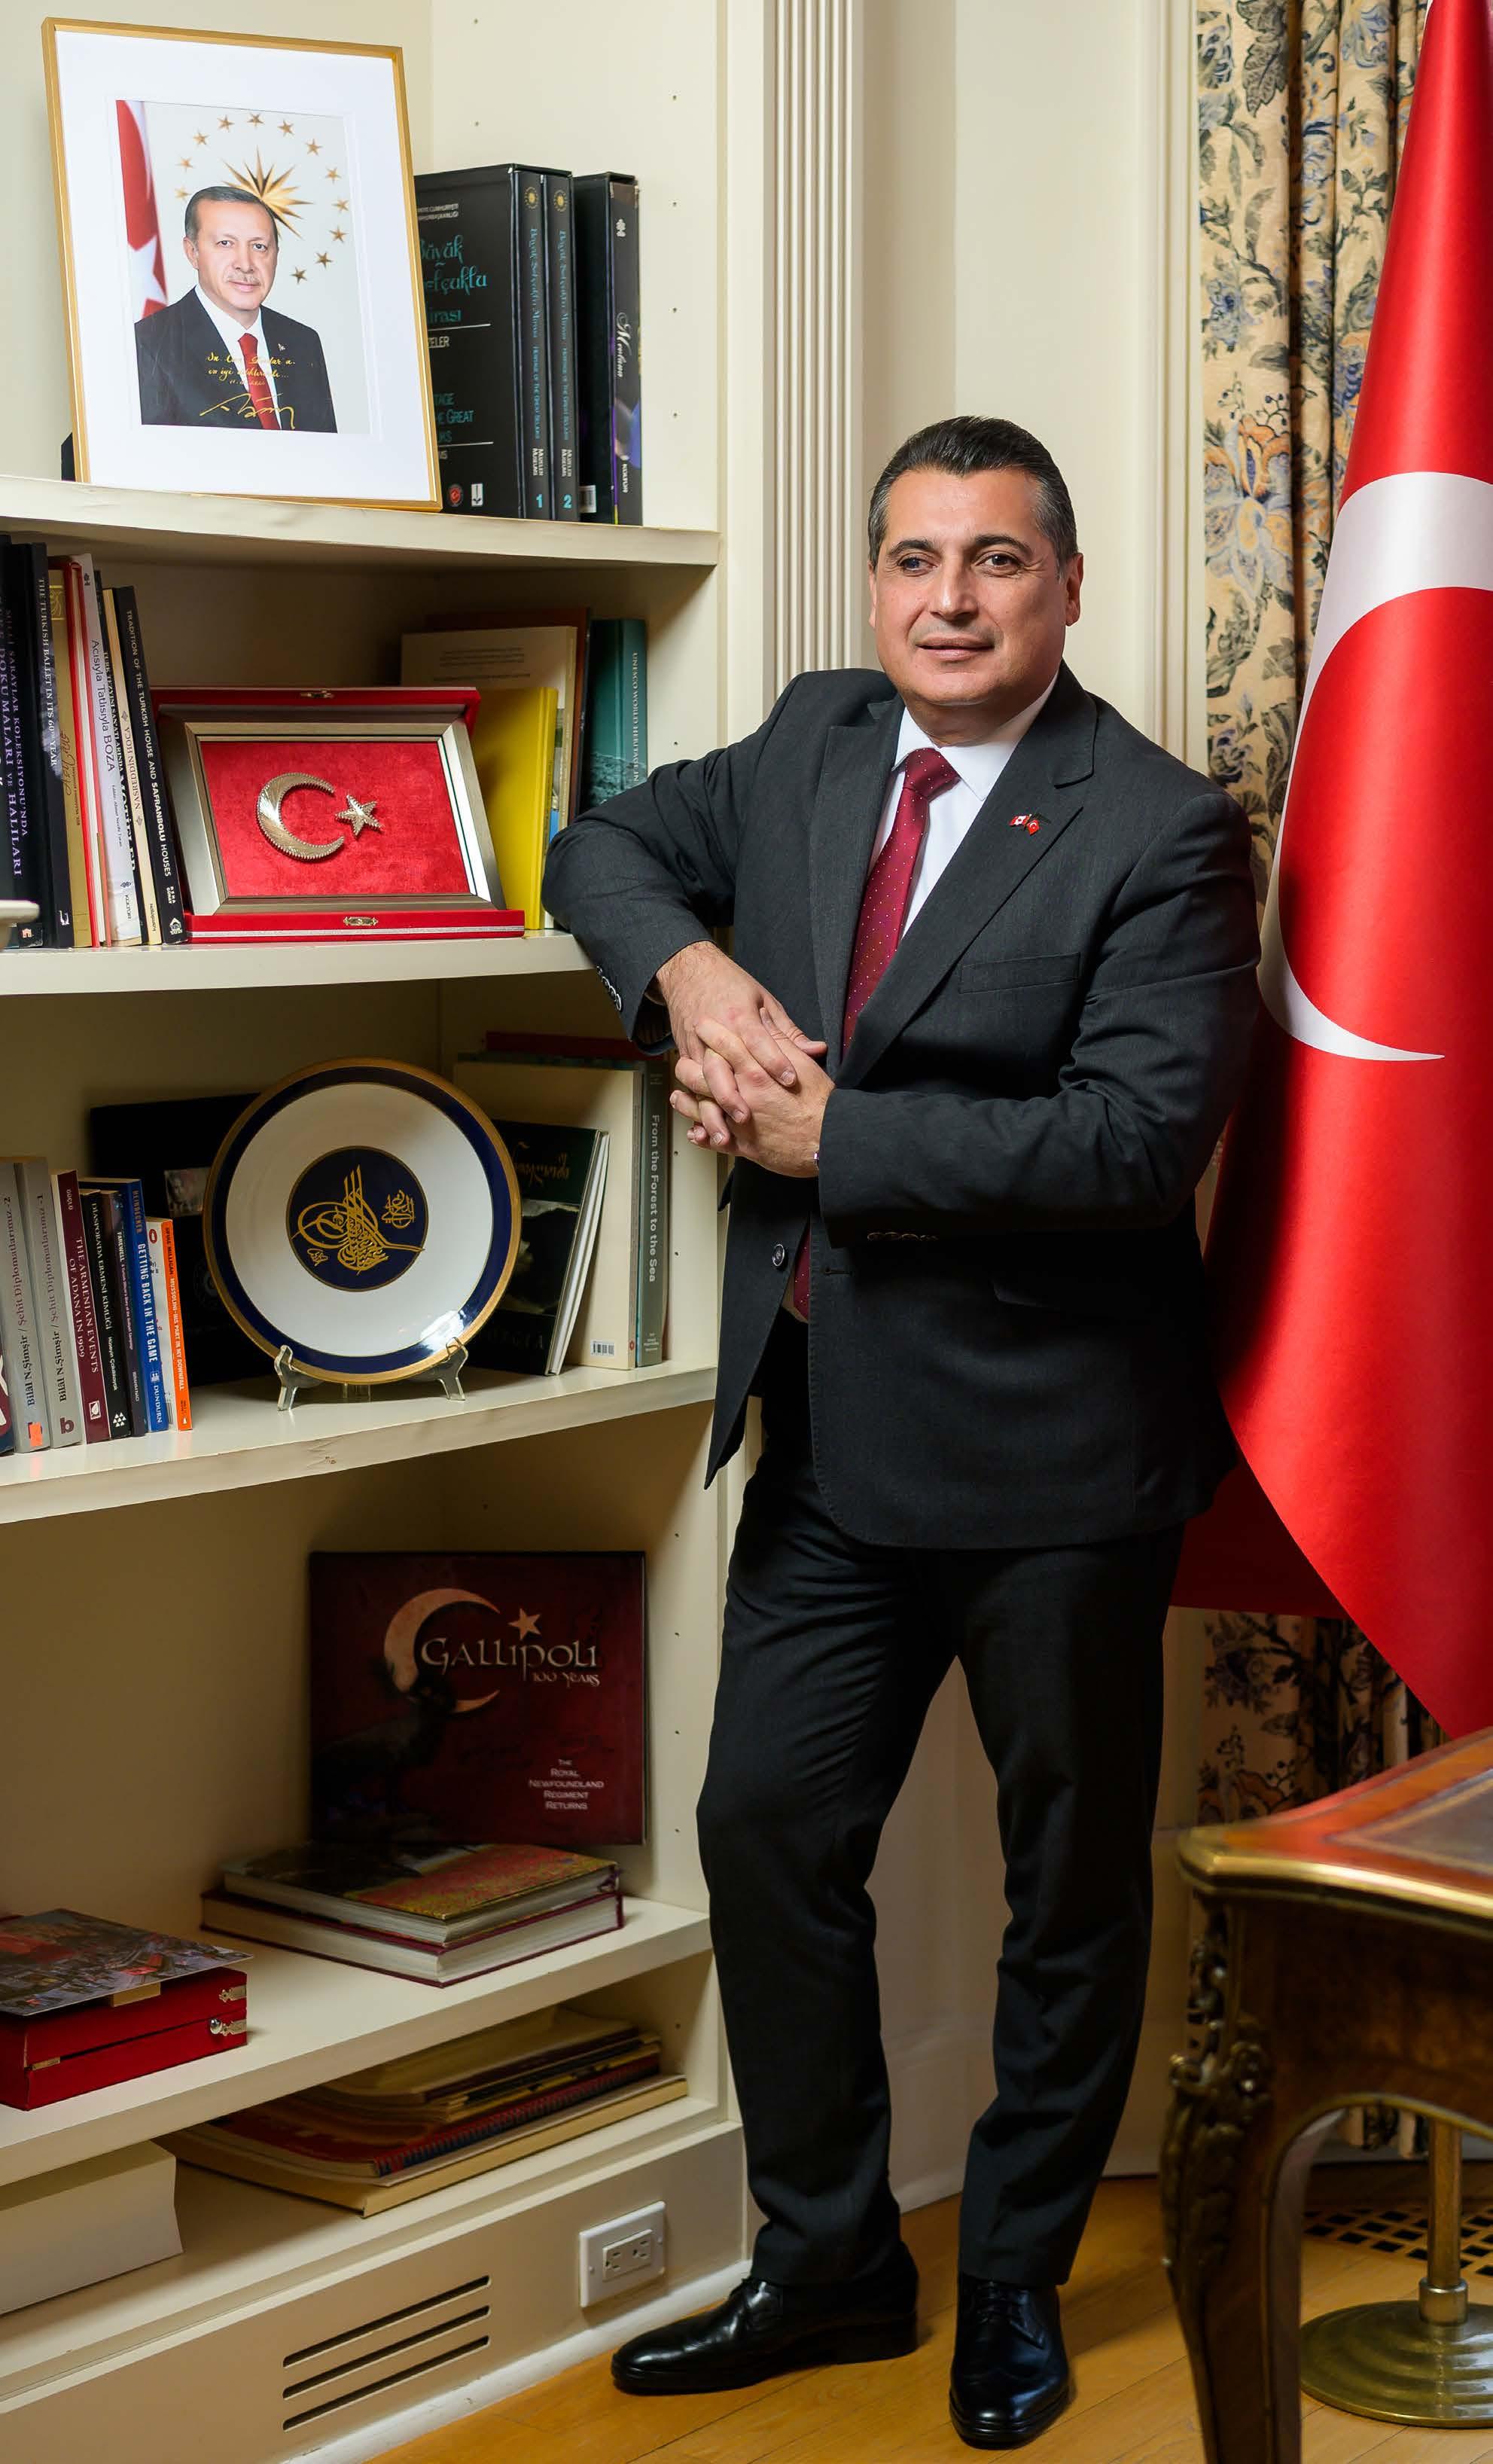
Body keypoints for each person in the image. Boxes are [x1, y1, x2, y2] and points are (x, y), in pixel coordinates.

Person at [542, 416, 1260, 2450]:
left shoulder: (1161, 826)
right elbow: (599, 847)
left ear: (1065, 587)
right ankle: (832, 2259)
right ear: (874, 583)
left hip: (1056, 1463)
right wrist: (692, 975)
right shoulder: (812, 736)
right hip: (829, 1443)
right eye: (913, 559)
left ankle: (1013, 2275)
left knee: (1064, 1892)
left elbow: (1131, 1143)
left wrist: (830, 1137)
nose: (948, 599)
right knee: (766, 1833)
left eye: (994, 560)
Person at [135, 186, 337, 432]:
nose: (245, 264)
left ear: (276, 255)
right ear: (192, 252)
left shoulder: (303, 342)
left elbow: (325, 449)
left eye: (259, 246)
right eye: (226, 243)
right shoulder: (149, 343)